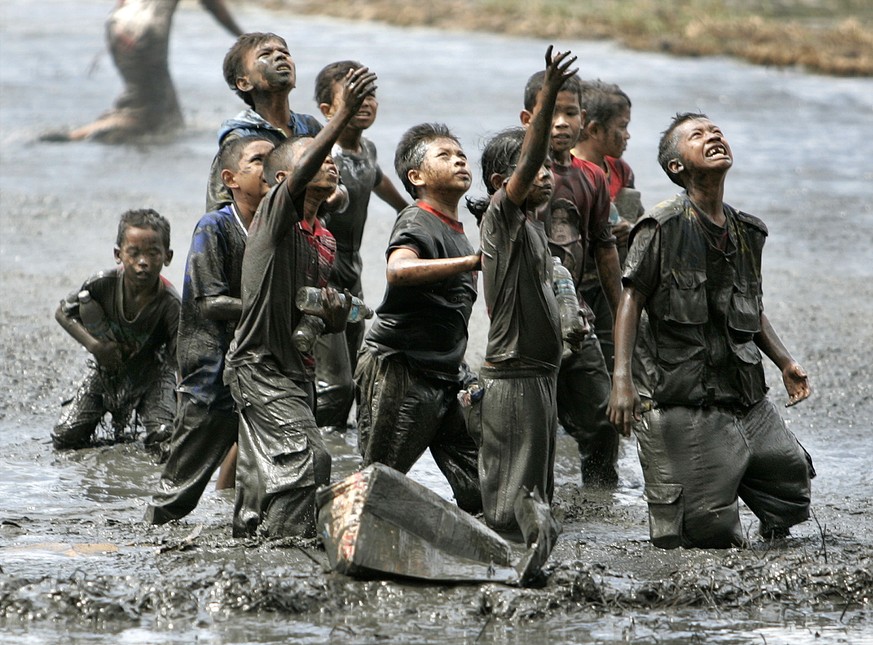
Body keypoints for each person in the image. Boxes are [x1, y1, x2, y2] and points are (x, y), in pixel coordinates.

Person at [608, 112, 814, 549]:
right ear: (676, 168)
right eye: (697, 135)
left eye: (716, 131)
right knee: (704, 533)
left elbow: (751, 308)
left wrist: (784, 361)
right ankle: (711, 482)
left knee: (791, 488)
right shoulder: (662, 225)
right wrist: (622, 380)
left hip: (740, 391)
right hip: (680, 395)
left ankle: (729, 474)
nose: (713, 136)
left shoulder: (746, 231)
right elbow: (631, 300)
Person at [223, 66, 378, 539]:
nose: (329, 162)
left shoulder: (323, 237)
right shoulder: (274, 218)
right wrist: (342, 116)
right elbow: (299, 175)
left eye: (331, 157)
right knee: (313, 456)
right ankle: (289, 548)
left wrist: (333, 315)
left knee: (263, 469)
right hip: (259, 364)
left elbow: (310, 313)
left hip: (297, 364)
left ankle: (250, 537)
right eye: (318, 157)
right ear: (287, 178)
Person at [465, 47, 578, 536]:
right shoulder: (501, 217)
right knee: (512, 507)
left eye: (552, 167)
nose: (547, 173)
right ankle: (504, 584)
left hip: (539, 375)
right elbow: (529, 157)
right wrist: (549, 95)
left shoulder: (532, 230)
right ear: (500, 183)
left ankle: (527, 576)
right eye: (537, 169)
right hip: (512, 377)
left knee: (534, 494)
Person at [145, 136, 274, 525]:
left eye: (274, 159)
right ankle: (151, 532)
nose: (268, 166)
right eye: (258, 160)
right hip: (212, 374)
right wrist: (271, 309)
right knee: (180, 487)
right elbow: (210, 303)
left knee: (267, 475)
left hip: (261, 369)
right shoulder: (214, 227)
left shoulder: (278, 225)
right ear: (230, 178)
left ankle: (248, 530)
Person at [354, 123, 482, 514]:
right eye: (444, 155)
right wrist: (472, 262)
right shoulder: (416, 219)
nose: (458, 159)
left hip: (446, 375)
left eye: (460, 154)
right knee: (379, 482)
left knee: (480, 486)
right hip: (399, 370)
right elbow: (398, 270)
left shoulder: (458, 230)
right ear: (417, 177)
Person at [521, 71, 625, 488]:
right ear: (529, 118)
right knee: (533, 425)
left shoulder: (593, 177)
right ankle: (530, 503)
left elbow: (604, 247)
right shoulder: (521, 175)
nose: (561, 123)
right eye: (551, 113)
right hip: (529, 316)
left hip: (579, 316)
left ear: (583, 118)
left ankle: (599, 498)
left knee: (601, 419)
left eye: (569, 113)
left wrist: (620, 313)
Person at [311, 59, 409, 431]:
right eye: (355, 96)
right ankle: (281, 437)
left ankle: (335, 458)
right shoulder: (324, 155)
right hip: (321, 278)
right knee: (334, 386)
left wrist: (413, 210)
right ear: (327, 111)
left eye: (371, 94)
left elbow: (377, 178)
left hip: (352, 276)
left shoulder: (366, 149)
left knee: (351, 380)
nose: (366, 102)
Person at [53, 209, 179, 450]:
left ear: (167, 256)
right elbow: (63, 313)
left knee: (164, 439)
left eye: (153, 253)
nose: (143, 262)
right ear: (118, 254)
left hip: (152, 374)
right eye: (134, 253)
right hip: (105, 369)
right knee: (65, 438)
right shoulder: (102, 284)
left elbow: (178, 359)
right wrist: (95, 347)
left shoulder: (171, 304)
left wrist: (185, 405)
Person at [44, 0, 243, 143]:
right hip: (147, 31)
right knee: (151, 111)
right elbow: (213, 5)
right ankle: (83, 134)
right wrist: (241, 36)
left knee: (166, 111)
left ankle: (99, 133)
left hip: (119, 26)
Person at [205, 32, 346, 215]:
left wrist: (337, 195)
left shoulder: (310, 127)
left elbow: (339, 185)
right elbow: (219, 207)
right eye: (265, 55)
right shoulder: (240, 138)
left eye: (284, 53)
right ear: (244, 82)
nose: (279, 56)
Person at [572, 80, 644, 371]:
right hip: (577, 282)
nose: (627, 135)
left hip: (613, 279)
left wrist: (631, 227)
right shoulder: (566, 172)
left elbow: (638, 217)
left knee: (615, 353)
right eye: (622, 126)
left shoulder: (619, 170)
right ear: (594, 129)